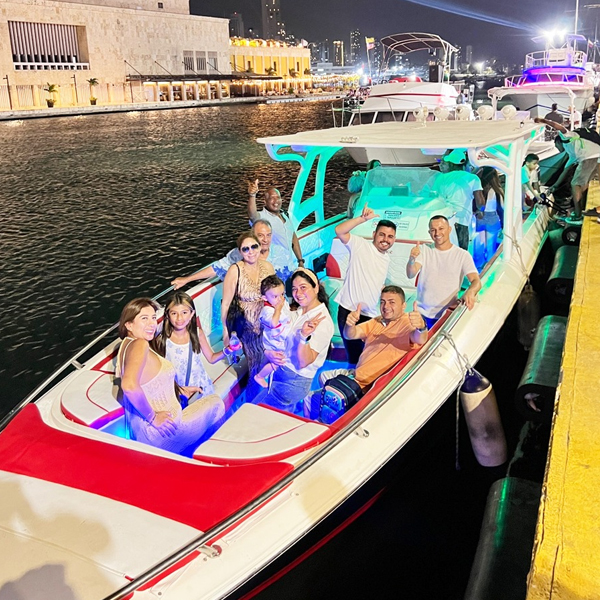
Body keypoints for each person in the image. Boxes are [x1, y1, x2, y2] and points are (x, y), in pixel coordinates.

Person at [116, 297, 225, 454]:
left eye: (153, 318)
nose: (152, 324)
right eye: (144, 318)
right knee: (216, 403)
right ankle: (209, 456)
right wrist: (153, 417)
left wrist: (180, 390)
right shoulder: (140, 344)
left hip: (146, 431)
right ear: (129, 324)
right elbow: (129, 385)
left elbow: (149, 383)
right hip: (167, 430)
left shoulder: (126, 345)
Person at [318, 286, 428, 392]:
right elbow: (350, 335)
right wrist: (350, 324)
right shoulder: (377, 321)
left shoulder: (407, 322)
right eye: (382, 302)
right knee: (323, 376)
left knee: (318, 393)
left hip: (367, 384)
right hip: (356, 374)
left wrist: (421, 327)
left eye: (392, 302)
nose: (386, 306)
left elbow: (420, 339)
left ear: (403, 306)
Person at [255, 268, 334, 416]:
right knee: (275, 421)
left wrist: (303, 337)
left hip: (292, 380)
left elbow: (304, 361)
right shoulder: (299, 312)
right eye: (294, 289)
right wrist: (268, 352)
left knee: (254, 415)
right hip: (283, 375)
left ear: (316, 288)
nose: (298, 293)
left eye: (303, 287)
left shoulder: (322, 321)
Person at [334, 205, 396, 365]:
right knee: (355, 357)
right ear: (374, 234)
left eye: (390, 236)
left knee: (368, 356)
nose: (385, 239)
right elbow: (339, 230)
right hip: (349, 312)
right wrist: (362, 219)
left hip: (370, 314)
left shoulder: (386, 258)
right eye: (382, 234)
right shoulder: (360, 245)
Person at [152, 291, 229, 410]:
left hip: (200, 387)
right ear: (167, 315)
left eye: (184, 312)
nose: (179, 318)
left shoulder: (198, 334)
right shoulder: (162, 340)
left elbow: (211, 358)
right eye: (174, 313)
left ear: (192, 313)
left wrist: (227, 350)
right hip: (178, 391)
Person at [407, 215, 481, 328]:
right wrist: (412, 259)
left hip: (446, 315)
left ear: (449, 229)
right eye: (433, 230)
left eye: (441, 228)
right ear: (429, 232)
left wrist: (470, 291)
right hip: (421, 313)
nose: (437, 233)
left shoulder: (462, 255)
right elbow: (410, 274)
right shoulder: (424, 249)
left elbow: (476, 281)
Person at [171, 220, 289, 288]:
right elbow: (217, 267)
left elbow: (291, 276)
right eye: (260, 235)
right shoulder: (240, 253)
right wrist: (188, 279)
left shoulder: (281, 253)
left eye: (268, 235)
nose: (265, 240)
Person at [220, 231, 275, 377]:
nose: (251, 251)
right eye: (245, 249)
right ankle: (254, 387)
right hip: (247, 326)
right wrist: (226, 332)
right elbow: (226, 304)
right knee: (256, 365)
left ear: (259, 247)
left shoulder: (268, 267)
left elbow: (275, 295)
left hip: (267, 322)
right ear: (240, 252)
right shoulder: (235, 270)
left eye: (254, 246)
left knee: (273, 360)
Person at [536, 117, 600, 219]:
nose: (557, 148)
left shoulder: (566, 138)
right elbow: (565, 171)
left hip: (589, 157)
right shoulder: (572, 154)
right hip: (597, 157)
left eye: (556, 146)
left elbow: (559, 127)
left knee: (575, 184)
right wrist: (554, 186)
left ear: (558, 142)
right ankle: (581, 210)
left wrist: (544, 121)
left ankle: (578, 215)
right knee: (583, 184)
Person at [431, 149, 484, 250]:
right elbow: (481, 204)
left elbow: (433, 196)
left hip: (444, 219)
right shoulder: (473, 178)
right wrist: (479, 211)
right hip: (461, 221)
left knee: (444, 250)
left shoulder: (441, 178)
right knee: (461, 252)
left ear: (451, 164)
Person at [247, 179, 304, 271]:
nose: (276, 201)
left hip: (290, 265)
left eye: (278, 197)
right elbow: (252, 215)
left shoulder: (285, 215)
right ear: (265, 201)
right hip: (273, 267)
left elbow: (293, 238)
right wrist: (252, 195)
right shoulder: (262, 218)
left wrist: (300, 261)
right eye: (272, 198)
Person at [255, 275, 293, 388]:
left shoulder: (280, 302)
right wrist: (278, 309)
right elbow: (274, 323)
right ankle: (260, 376)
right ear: (265, 298)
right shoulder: (267, 311)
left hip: (283, 338)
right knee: (278, 362)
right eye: (275, 296)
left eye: (282, 294)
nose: (280, 299)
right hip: (274, 343)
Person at [474, 167, 504, 269]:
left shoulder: (478, 190)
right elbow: (501, 208)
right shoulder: (497, 190)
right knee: (490, 248)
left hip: (479, 218)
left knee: (480, 246)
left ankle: (478, 267)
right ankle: (489, 269)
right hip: (492, 218)